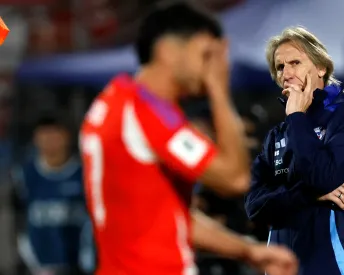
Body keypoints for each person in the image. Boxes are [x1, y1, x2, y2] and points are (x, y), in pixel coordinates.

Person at [79, 2, 297, 275]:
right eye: (206, 54)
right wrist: (219, 89)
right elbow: (236, 178)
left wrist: (248, 250)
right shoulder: (147, 112)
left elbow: (170, 221)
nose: (213, 66)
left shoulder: (116, 100)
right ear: (168, 51)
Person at [244, 26, 344, 275]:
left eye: (295, 62)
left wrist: (297, 116)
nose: (286, 73)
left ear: (321, 67)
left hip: (338, 266)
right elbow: (254, 206)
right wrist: (307, 196)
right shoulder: (279, 134)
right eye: (280, 67)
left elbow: (322, 177)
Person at [12, 114, 88, 275]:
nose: (49, 140)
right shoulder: (24, 176)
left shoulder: (84, 175)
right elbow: (14, 222)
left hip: (77, 267)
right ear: (35, 138)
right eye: (44, 134)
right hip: (37, 267)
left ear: (68, 136)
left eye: (55, 134)